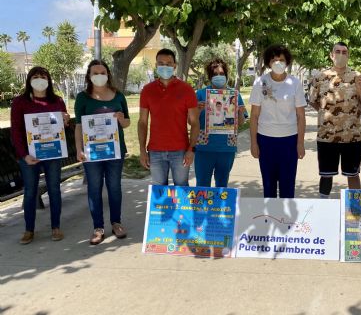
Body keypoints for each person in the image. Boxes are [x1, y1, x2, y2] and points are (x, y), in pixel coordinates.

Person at [10, 66, 70, 244]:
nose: (39, 79)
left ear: (49, 80)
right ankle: (29, 230)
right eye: (35, 76)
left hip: (52, 154)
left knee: (54, 190)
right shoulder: (20, 102)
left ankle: (56, 227)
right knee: (30, 192)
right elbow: (16, 132)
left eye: (43, 76)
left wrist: (66, 121)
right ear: (29, 80)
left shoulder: (57, 101)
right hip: (29, 157)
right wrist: (24, 155)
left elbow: (62, 129)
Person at [74, 60, 130, 245]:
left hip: (115, 151)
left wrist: (121, 119)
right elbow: (79, 126)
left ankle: (116, 223)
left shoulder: (118, 95)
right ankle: (98, 227)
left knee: (114, 187)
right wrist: (79, 149)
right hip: (92, 152)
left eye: (102, 72)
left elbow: (127, 122)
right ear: (89, 76)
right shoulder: (82, 98)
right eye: (95, 73)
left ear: (108, 74)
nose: (99, 76)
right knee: (94, 189)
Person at [308, 42, 361, 198]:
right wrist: (326, 113)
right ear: (331, 55)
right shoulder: (320, 77)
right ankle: (323, 205)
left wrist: (360, 90)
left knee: (353, 174)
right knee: (326, 175)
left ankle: (356, 208)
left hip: (352, 137)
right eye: (337, 51)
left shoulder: (358, 77)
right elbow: (312, 100)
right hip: (327, 137)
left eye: (344, 52)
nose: (341, 54)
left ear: (348, 55)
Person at [249, 44, 306, 198]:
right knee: (269, 186)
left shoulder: (295, 83)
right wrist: (253, 143)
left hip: (289, 141)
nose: (277, 62)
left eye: (281, 59)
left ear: (287, 61)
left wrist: (300, 143)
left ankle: (286, 221)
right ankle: (270, 220)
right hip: (265, 140)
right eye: (274, 59)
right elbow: (254, 116)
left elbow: (301, 116)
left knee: (288, 186)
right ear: (268, 63)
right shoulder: (260, 82)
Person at [138, 49, 199, 186]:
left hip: (181, 151)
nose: (165, 66)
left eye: (169, 63)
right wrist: (142, 150)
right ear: (156, 65)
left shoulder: (187, 89)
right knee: (160, 194)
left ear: (175, 65)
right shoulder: (147, 91)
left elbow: (195, 123)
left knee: (182, 190)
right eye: (161, 63)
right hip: (155, 151)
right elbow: (142, 122)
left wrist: (191, 149)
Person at [194, 59, 245, 188]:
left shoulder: (234, 95)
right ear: (210, 77)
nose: (219, 77)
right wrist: (197, 110)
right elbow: (191, 121)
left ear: (226, 75)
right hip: (204, 148)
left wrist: (239, 112)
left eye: (222, 74)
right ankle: (202, 209)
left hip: (227, 148)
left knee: (222, 186)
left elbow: (240, 123)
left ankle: (220, 209)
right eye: (215, 74)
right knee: (202, 186)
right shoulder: (200, 94)